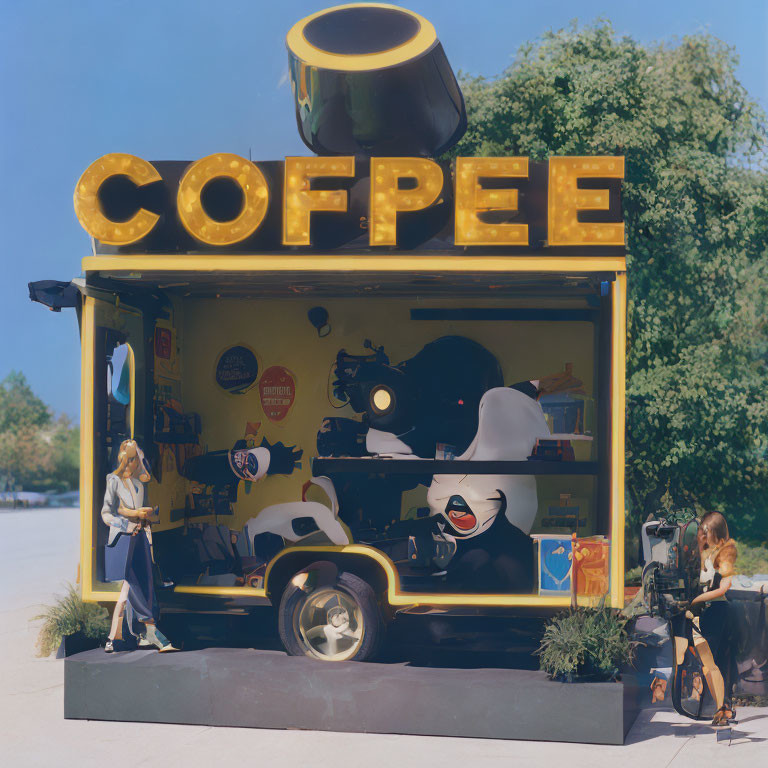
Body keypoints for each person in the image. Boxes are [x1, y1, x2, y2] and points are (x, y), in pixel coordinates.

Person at [101, 439, 176, 652]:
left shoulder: (139, 484)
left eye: (137, 459)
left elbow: (146, 478)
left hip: (141, 536)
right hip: (124, 538)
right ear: (123, 459)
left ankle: (118, 637)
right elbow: (106, 513)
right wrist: (128, 519)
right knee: (132, 585)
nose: (134, 463)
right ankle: (150, 629)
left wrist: (147, 515)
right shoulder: (113, 480)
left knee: (142, 584)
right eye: (132, 458)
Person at [688, 511, 738, 725]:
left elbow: (724, 586)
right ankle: (721, 706)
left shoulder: (725, 552)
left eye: (705, 532)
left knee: (714, 661)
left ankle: (722, 707)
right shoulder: (708, 552)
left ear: (715, 533)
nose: (702, 536)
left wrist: (699, 598)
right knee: (712, 661)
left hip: (716, 611)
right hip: (707, 612)